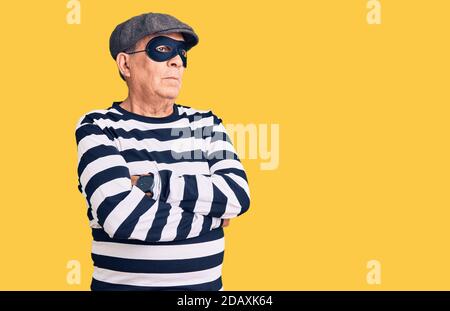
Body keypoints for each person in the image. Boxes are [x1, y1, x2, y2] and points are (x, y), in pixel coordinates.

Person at [75, 12, 251, 291]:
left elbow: (237, 196)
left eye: (182, 54)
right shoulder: (97, 126)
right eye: (162, 49)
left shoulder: (205, 124)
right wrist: (214, 217)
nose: (177, 61)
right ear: (125, 64)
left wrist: (151, 183)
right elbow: (121, 218)